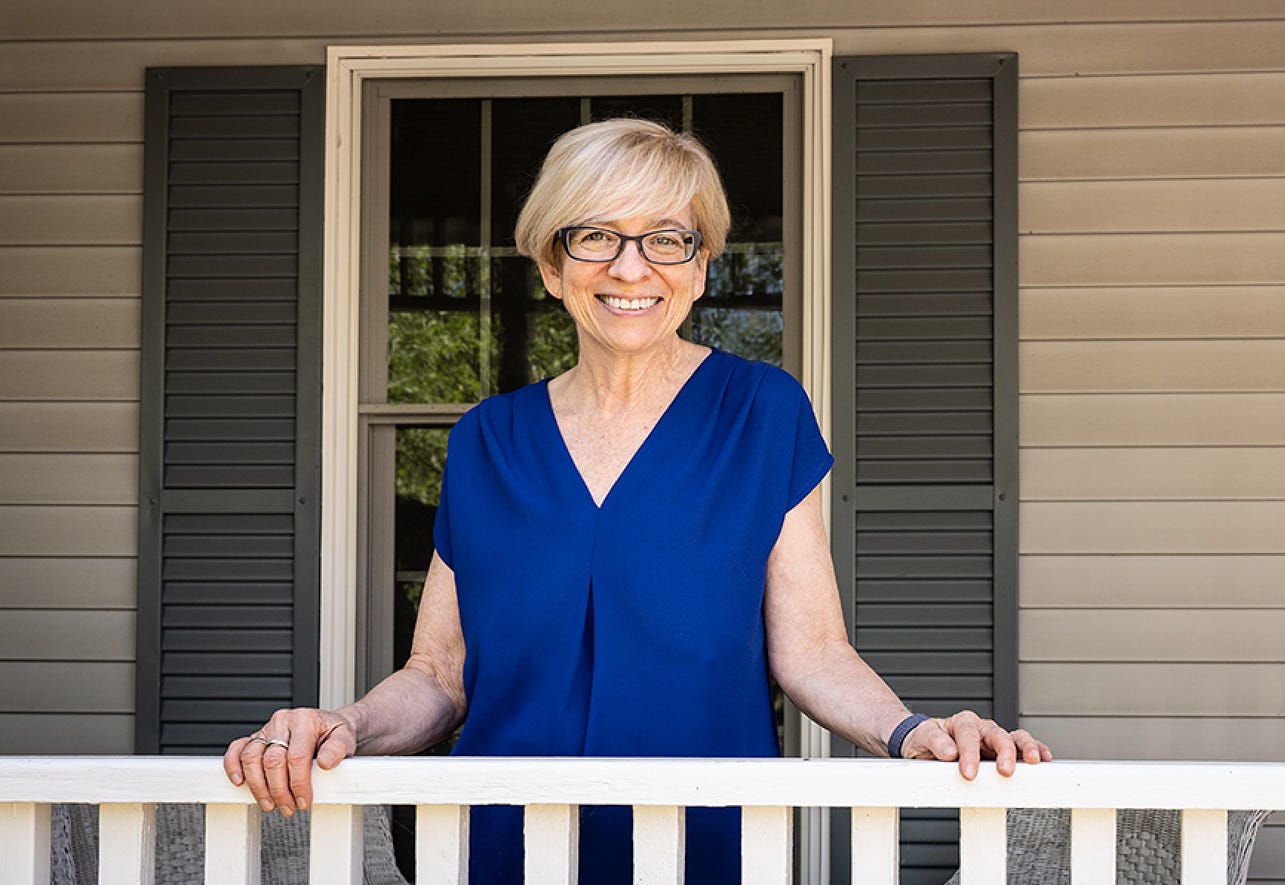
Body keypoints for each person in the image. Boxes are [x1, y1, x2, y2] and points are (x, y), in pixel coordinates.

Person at [224, 117, 1050, 884]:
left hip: (707, 841)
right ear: (552, 265)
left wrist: (914, 733)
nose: (630, 267)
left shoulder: (762, 412)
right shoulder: (486, 441)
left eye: (665, 239)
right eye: (595, 237)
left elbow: (813, 653)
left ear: (698, 266)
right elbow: (440, 674)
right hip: (507, 844)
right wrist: (347, 723)